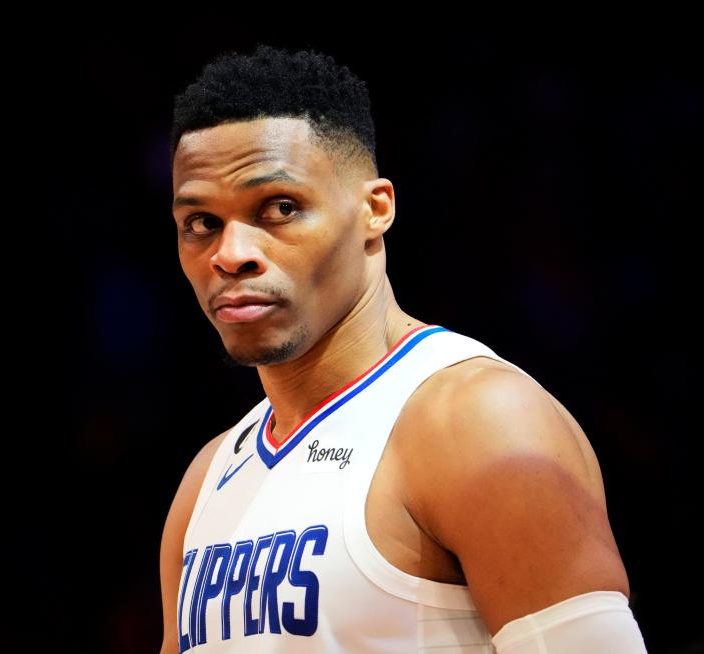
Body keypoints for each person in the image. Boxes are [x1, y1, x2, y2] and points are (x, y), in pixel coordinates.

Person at [158, 43, 647, 653]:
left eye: (280, 208)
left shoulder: (477, 421)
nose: (231, 254)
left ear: (375, 209)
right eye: (201, 222)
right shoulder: (207, 479)